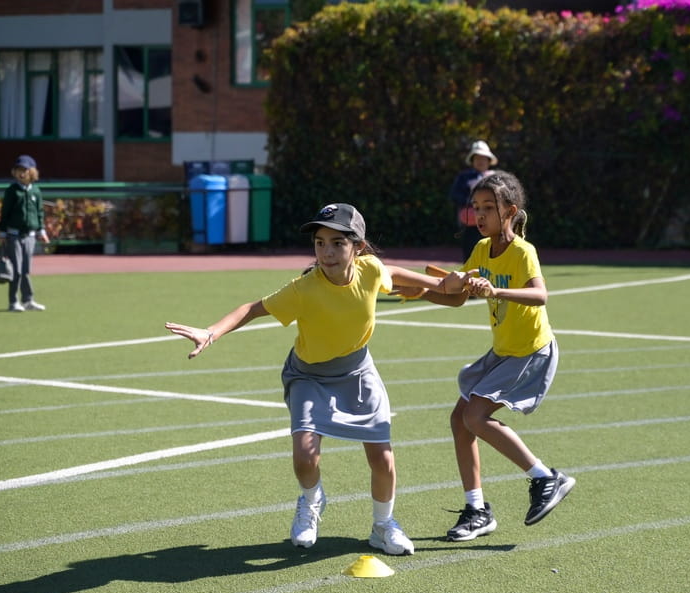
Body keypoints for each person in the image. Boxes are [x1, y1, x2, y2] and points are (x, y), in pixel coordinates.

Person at [165, 203, 472, 555]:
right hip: (309, 376)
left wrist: (441, 283)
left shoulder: (370, 270)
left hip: (358, 373)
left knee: (383, 459)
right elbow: (253, 308)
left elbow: (404, 277)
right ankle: (312, 502)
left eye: (337, 243)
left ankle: (383, 525)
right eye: (320, 242)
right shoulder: (303, 289)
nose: (327, 251)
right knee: (305, 456)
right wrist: (212, 332)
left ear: (358, 247)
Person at [396, 170, 575, 542]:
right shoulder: (480, 250)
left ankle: (545, 477)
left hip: (530, 352)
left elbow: (541, 296)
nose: (479, 215)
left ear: (510, 211)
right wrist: (420, 292)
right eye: (475, 208)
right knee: (460, 420)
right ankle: (477, 510)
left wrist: (495, 291)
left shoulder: (523, 252)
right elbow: (458, 295)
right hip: (503, 351)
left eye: (488, 208)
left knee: (475, 416)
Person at [0, 154, 49, 311]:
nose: (21, 173)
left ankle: (28, 300)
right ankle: (13, 302)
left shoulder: (36, 191)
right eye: (19, 170)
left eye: (25, 170)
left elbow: (39, 212)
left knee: (26, 270)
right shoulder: (12, 191)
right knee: (17, 270)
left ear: (32, 172)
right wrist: (2, 233)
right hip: (13, 235)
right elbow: (5, 213)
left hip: (30, 236)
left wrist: (42, 230)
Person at [449, 140, 498, 262]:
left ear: (489, 161)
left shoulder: (496, 177)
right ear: (472, 161)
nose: (480, 161)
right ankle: (468, 279)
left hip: (492, 224)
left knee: (491, 255)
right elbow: (454, 195)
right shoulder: (464, 177)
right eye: (477, 158)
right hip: (470, 224)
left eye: (483, 158)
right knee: (470, 255)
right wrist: (471, 201)